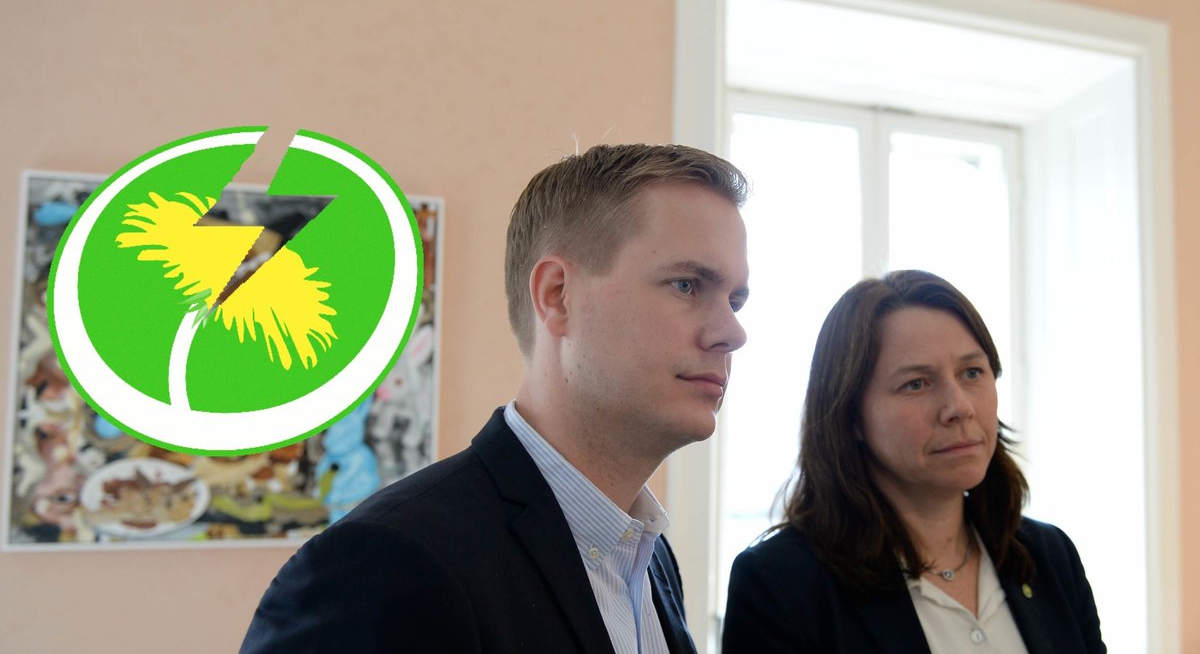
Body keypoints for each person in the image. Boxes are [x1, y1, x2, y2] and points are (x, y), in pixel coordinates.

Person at [240, 144, 751, 653]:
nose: (732, 332)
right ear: (558, 295)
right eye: (686, 285)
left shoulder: (650, 559)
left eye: (735, 300)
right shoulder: (379, 566)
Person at [722, 270, 1105, 654]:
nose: (959, 407)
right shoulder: (780, 585)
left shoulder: (1050, 556)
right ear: (851, 416)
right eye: (917, 383)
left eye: (972, 372)